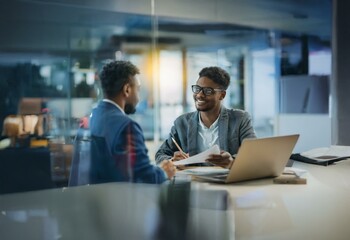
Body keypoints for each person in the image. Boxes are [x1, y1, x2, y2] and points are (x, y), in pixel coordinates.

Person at [89, 60, 175, 184]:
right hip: (120, 199)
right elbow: (144, 177)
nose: (139, 97)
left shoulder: (93, 117)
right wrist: (164, 172)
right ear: (127, 89)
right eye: (138, 89)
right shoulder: (127, 126)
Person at [155, 66, 256, 168]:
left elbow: (253, 156)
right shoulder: (182, 123)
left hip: (228, 182)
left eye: (207, 91)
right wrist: (173, 160)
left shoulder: (240, 119)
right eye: (197, 89)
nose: (199, 95)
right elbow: (160, 155)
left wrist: (232, 162)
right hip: (194, 181)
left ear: (222, 95)